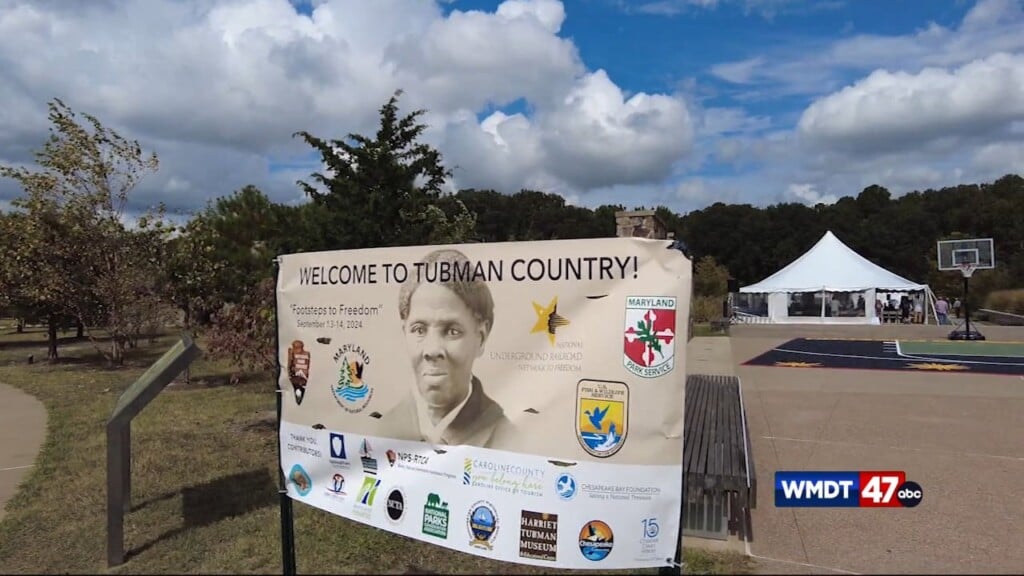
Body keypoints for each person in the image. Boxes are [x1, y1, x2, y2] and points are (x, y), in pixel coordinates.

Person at [369, 248, 518, 449]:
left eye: (452, 331)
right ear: (405, 332)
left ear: (481, 338)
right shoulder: (381, 430)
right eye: (419, 329)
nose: (432, 350)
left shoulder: (509, 441)